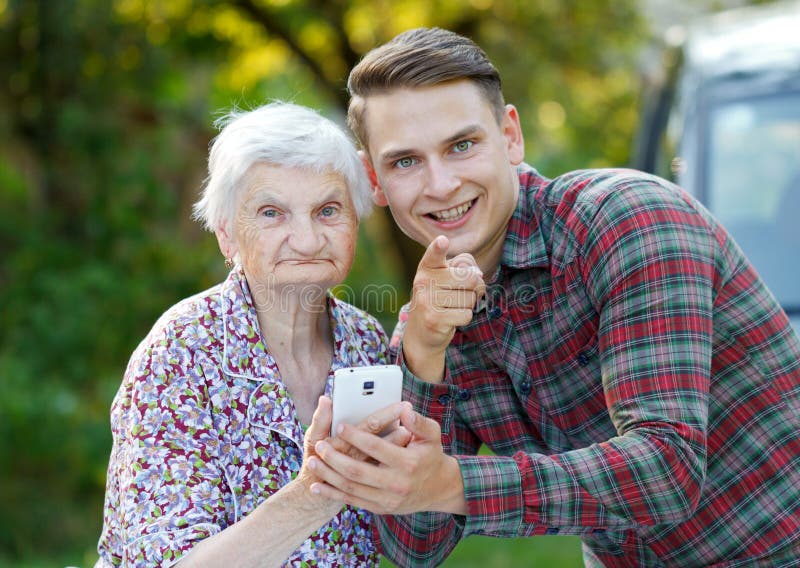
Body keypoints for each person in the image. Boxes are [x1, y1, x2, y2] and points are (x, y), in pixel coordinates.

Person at [307, 27, 800, 567]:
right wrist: (423, 356)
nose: (441, 184)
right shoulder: (430, 323)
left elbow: (667, 471)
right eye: (406, 162)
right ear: (375, 182)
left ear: (510, 136)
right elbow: (415, 549)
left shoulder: (625, 220)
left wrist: (452, 482)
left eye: (462, 145)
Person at [94, 102, 410, 567]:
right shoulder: (181, 353)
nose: (305, 239)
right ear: (226, 233)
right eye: (271, 213)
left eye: (327, 211)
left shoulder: (365, 342)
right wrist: (319, 491)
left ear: (355, 222)